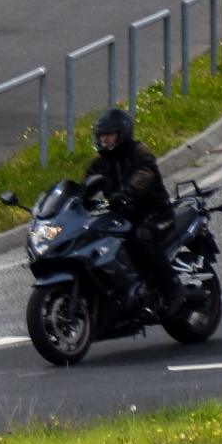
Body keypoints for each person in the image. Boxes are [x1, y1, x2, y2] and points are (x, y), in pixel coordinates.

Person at [80, 108, 180, 315]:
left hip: (154, 212)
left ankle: (173, 290)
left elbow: (146, 173)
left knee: (142, 237)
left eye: (110, 136)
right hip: (122, 215)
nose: (105, 141)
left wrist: (129, 193)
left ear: (123, 134)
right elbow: (85, 185)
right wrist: (76, 200)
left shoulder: (138, 151)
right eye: (102, 137)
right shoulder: (99, 162)